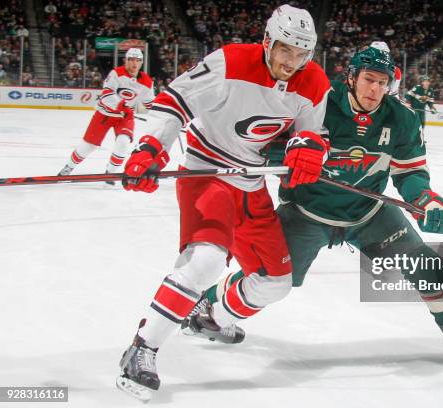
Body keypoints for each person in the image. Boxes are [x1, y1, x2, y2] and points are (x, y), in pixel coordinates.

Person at [183, 47, 443, 360]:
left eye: (382, 83)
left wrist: (427, 201)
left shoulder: (402, 118)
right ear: (352, 77)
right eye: (369, 79)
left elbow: (411, 174)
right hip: (307, 213)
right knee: (272, 278)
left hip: (368, 213)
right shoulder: (318, 101)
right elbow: (273, 144)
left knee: (423, 264)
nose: (375, 89)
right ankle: (210, 303)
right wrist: (290, 157)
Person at [116, 5, 331, 401]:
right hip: (207, 171)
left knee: (275, 283)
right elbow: (175, 101)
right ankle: (142, 348)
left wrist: (310, 148)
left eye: (302, 54)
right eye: (285, 50)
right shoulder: (231, 62)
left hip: (250, 183)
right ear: (268, 41)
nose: (292, 62)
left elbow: (311, 133)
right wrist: (150, 146)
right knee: (207, 261)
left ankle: (209, 315)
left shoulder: (314, 81)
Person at [58, 48, 153, 184]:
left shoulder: (147, 82)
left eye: (137, 61)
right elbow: (106, 95)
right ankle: (68, 168)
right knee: (88, 146)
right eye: (131, 60)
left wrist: (165, 116)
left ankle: (110, 173)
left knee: (123, 141)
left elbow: (150, 104)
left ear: (141, 62)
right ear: (126, 61)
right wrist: (122, 105)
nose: (134, 63)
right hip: (104, 114)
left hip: (125, 118)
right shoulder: (116, 73)